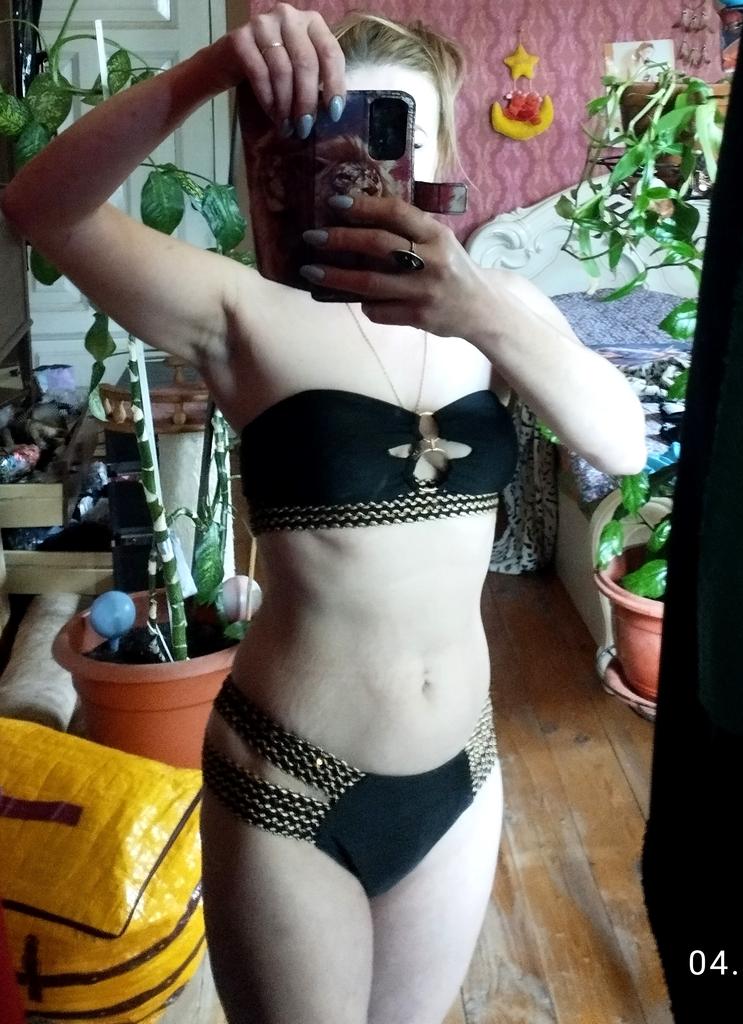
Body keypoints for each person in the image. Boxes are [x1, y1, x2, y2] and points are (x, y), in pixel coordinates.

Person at [1, 5, 646, 1022]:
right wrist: (211, 72)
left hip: (464, 773)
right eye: (340, 127)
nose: (367, 165)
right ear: (295, 144)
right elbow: (40, 205)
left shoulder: (501, 305)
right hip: (288, 785)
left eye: (397, 129)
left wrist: (479, 310)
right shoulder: (242, 311)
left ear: (441, 148)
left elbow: (623, 442)